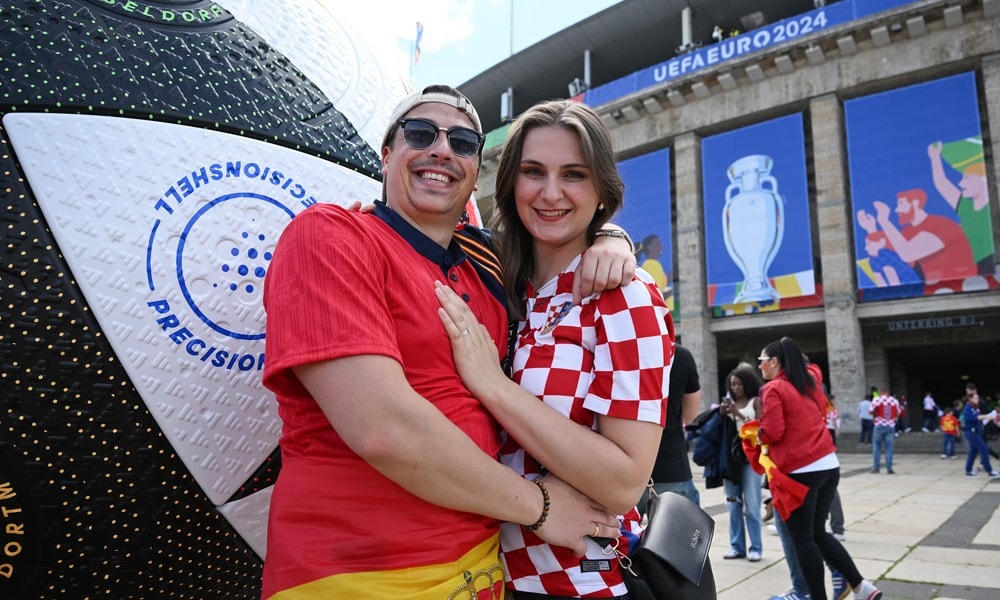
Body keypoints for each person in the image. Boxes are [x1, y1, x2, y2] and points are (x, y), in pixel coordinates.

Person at [259, 86, 637, 599]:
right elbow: (383, 429)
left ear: (474, 175)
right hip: (357, 575)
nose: (441, 149)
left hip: (484, 571)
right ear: (387, 154)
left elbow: (558, 228)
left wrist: (610, 236)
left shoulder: (488, 265)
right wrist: (540, 507)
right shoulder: (331, 235)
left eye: (461, 142)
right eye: (420, 133)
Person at [434, 99, 674, 599]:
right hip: (483, 576)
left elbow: (624, 482)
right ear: (511, 184)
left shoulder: (625, 298)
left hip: (585, 584)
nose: (550, 193)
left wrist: (494, 387)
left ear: (602, 188)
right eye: (533, 172)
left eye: (574, 174)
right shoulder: (495, 280)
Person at [757, 337, 882, 600]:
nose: (760, 367)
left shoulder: (774, 389)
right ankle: (861, 587)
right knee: (817, 533)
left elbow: (773, 431)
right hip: (828, 464)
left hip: (800, 471)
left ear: (775, 362)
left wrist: (758, 435)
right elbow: (810, 366)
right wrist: (788, 345)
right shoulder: (810, 379)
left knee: (802, 540)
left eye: (763, 361)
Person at [641, 344, 702, 512]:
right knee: (680, 537)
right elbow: (690, 414)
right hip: (672, 468)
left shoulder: (616, 349)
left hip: (622, 471)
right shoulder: (681, 355)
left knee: (622, 537)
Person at [719, 365, 764, 562]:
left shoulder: (756, 402)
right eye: (732, 384)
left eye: (738, 383)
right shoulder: (729, 403)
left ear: (747, 383)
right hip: (731, 459)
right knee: (732, 504)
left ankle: (756, 547)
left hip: (750, 457)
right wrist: (723, 414)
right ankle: (736, 546)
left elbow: (761, 428)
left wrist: (737, 414)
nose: (735, 387)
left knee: (752, 505)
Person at [961, 385, 1000, 478]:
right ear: (970, 399)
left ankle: (968, 471)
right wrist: (986, 416)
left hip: (977, 432)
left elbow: (979, 419)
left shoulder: (975, 407)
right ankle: (990, 471)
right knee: (984, 449)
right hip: (971, 433)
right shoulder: (967, 408)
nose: (977, 399)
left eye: (977, 397)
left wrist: (989, 417)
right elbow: (973, 418)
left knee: (973, 452)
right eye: (975, 398)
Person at [870, 388, 900, 474]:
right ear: (888, 392)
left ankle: (876, 468)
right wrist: (894, 419)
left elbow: (871, 411)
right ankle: (889, 468)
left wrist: (875, 416)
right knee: (889, 448)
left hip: (879, 425)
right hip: (890, 426)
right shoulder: (894, 400)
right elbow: (898, 412)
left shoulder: (877, 399)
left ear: (881, 392)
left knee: (877, 447)